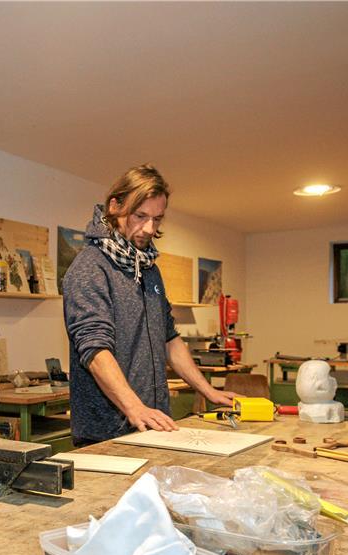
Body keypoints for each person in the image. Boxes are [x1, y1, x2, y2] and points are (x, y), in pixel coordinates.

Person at [62, 164, 236, 445]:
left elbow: (169, 339)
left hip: (153, 423)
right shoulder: (90, 268)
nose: (148, 229)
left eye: (157, 219)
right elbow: (94, 349)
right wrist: (134, 407)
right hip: (107, 432)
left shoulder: (148, 269)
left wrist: (208, 391)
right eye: (140, 216)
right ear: (115, 205)